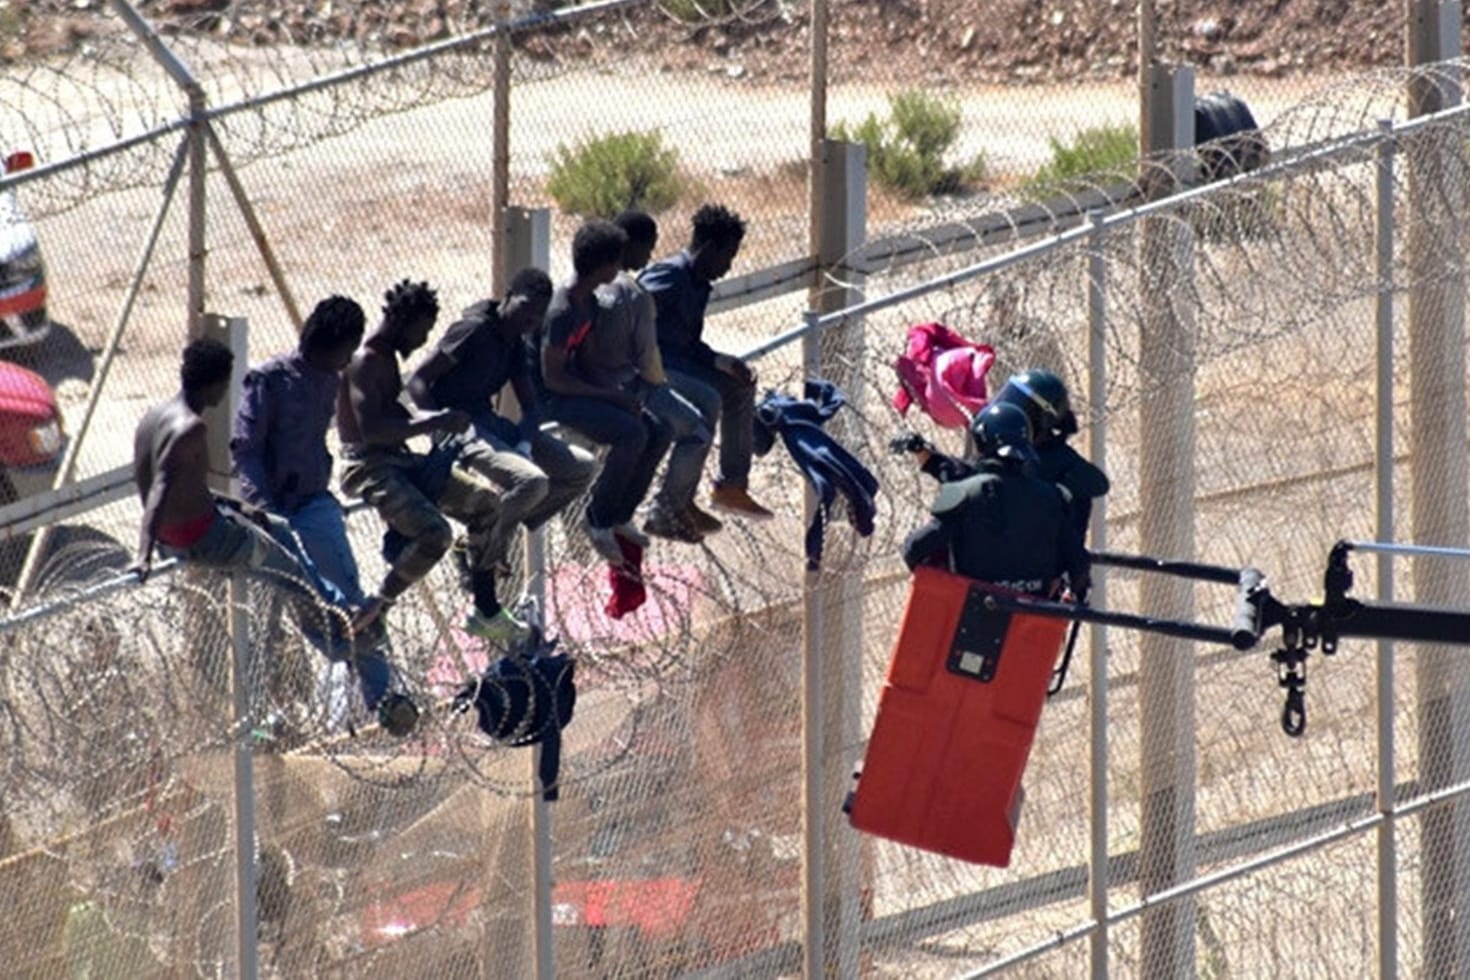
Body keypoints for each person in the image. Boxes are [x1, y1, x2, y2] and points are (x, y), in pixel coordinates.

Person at [131, 336, 368, 650]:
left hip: (178, 534)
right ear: (217, 384)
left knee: (272, 523)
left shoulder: (153, 417)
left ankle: (332, 614)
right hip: (202, 540)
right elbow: (161, 486)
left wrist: (238, 508)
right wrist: (142, 554)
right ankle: (338, 630)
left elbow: (181, 487)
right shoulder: (190, 428)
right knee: (285, 555)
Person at [230, 295, 401, 718]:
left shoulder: (330, 379)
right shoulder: (268, 380)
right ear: (331, 343)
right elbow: (245, 450)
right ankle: (262, 715)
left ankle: (384, 700)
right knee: (273, 616)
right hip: (272, 514)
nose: (348, 358)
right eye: (347, 349)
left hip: (313, 503)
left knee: (351, 600)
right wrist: (263, 511)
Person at [337, 279, 524, 644]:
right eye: (422, 330)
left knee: (488, 505)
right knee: (435, 533)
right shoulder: (366, 362)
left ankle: (485, 607)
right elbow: (372, 430)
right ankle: (378, 605)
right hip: (370, 466)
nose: (423, 341)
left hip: (399, 460)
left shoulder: (387, 359)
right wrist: (436, 420)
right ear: (403, 321)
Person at [406, 267, 596, 576]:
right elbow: (418, 382)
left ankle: (492, 530)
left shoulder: (516, 343)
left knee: (581, 467)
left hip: (489, 423)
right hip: (460, 427)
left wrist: (523, 442)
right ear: (507, 297)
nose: (528, 321)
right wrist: (439, 430)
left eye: (537, 317)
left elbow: (531, 407)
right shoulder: (473, 329)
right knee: (532, 482)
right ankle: (482, 550)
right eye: (524, 310)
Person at [540, 219, 672, 562]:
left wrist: (621, 396)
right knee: (631, 435)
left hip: (582, 390)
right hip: (553, 400)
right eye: (616, 260)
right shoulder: (562, 310)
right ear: (603, 265)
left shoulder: (590, 304)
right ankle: (597, 519)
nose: (620, 267)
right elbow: (553, 379)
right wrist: (613, 397)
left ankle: (620, 514)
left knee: (659, 429)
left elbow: (584, 363)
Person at [639, 202, 773, 520]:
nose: (728, 266)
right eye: (727, 255)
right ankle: (672, 505)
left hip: (678, 363)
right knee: (708, 400)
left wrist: (720, 361)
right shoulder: (670, 275)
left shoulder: (698, 285)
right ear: (710, 247)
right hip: (650, 367)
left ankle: (732, 487)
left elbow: (686, 342)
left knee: (737, 387)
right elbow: (629, 315)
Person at [596, 210, 721, 543]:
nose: (650, 257)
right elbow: (643, 350)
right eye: (647, 248)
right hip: (633, 383)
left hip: (617, 380)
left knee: (668, 428)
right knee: (695, 430)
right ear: (629, 245)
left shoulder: (597, 283)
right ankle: (662, 510)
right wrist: (656, 383)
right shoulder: (632, 291)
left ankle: (661, 508)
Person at [901, 402, 1089, 597]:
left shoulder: (964, 494)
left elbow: (914, 549)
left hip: (971, 618)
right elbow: (1079, 565)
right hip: (1032, 620)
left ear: (982, 443)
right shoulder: (1052, 497)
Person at [899, 368, 1109, 540]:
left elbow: (1097, 482)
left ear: (1040, 419)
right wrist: (927, 454)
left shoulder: (1055, 460)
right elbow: (972, 477)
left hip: (1045, 572)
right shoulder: (1014, 456)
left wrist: (1061, 491)